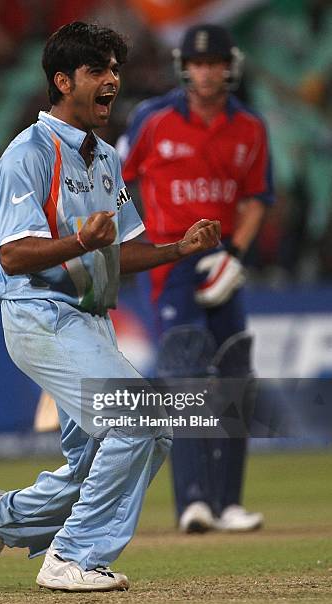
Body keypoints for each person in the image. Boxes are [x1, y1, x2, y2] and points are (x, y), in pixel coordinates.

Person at [0, 22, 220, 593]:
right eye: (98, 70)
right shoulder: (26, 155)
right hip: (41, 316)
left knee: (118, 451)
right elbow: (11, 255)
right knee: (141, 417)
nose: (113, 81)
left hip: (91, 323)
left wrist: (180, 248)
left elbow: (118, 253)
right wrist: (81, 241)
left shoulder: (104, 157)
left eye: (115, 70)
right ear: (62, 80)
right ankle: (71, 557)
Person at [119, 24, 274, 533]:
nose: (207, 73)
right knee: (185, 372)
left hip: (223, 257)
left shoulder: (249, 127)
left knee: (232, 373)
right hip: (171, 258)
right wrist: (129, 242)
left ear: (230, 66)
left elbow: (256, 201)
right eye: (198, 63)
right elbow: (111, 179)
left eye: (215, 64)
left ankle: (227, 502)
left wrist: (238, 256)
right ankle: (193, 502)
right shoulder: (153, 119)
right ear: (184, 66)